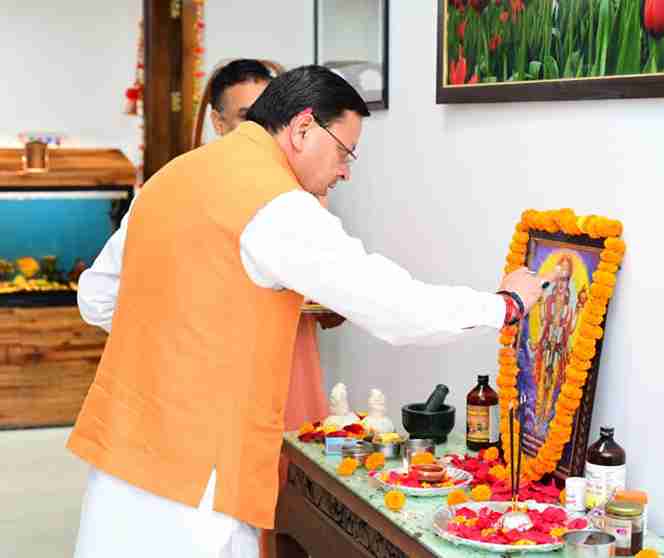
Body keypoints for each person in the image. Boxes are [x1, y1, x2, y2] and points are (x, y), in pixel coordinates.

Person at [69, 65, 549, 558]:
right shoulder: (277, 205)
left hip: (122, 453)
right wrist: (504, 305)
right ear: (302, 129)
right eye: (344, 152)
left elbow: (97, 297)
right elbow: (394, 306)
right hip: (198, 478)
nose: (345, 171)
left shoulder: (172, 176)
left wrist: (174, 334)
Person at [193, 57, 341, 557]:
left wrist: (333, 304)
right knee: (232, 495)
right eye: (245, 117)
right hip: (226, 367)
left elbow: (334, 292)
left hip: (294, 356)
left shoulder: (301, 191)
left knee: (297, 479)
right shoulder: (192, 185)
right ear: (218, 123)